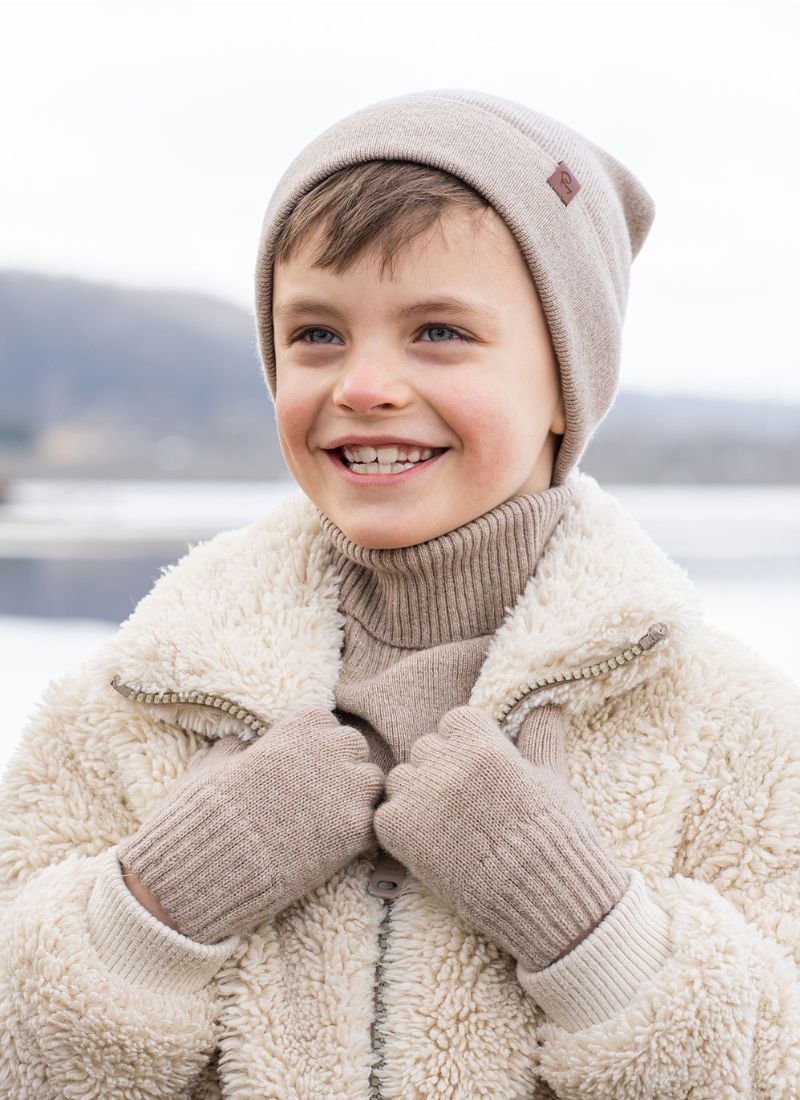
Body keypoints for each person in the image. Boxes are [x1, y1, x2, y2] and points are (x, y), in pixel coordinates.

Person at [1, 89, 797, 1099]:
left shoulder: (733, 731)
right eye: (317, 335)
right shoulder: (128, 706)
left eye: (437, 332)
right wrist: (162, 899)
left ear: (566, 380)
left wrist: (581, 917)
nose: (364, 384)